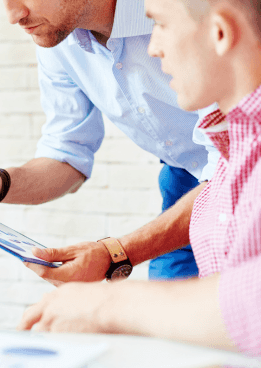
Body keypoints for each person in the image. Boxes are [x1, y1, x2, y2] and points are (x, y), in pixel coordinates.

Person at [18, 0, 261, 355]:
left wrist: (105, 306)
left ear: (220, 33)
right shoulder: (229, 148)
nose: (151, 48)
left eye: (160, 25)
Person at [0, 0, 220, 283]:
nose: (13, 15)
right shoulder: (58, 35)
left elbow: (232, 166)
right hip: (184, 184)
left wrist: (114, 254)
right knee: (171, 321)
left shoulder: (191, 14)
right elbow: (67, 151)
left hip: (243, 169)